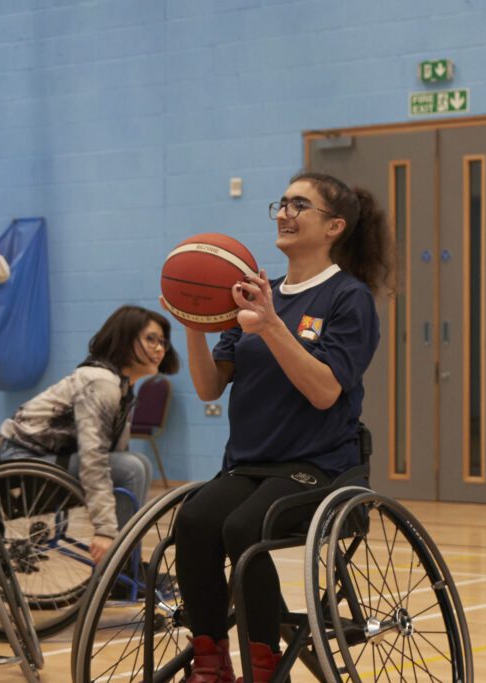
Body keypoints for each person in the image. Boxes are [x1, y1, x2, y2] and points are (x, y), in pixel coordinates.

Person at [167, 171, 389, 683]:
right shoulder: (250, 292)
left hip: (320, 466)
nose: (284, 213)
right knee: (195, 521)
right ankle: (210, 661)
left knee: (245, 527)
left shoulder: (347, 298)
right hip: (249, 465)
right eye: (282, 203)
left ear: (334, 226)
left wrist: (270, 325)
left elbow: (324, 391)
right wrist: (194, 325)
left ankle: (265, 667)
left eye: (299, 205)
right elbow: (208, 388)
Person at [0, 305, 179, 565]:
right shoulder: (102, 383)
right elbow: (93, 457)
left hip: (52, 453)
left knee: (137, 464)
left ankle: (125, 566)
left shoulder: (121, 385)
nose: (160, 348)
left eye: (163, 342)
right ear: (125, 339)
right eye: (151, 339)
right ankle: (120, 569)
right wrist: (105, 529)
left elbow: (112, 452)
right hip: (24, 457)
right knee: (131, 468)